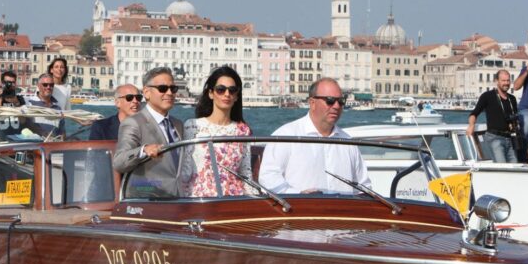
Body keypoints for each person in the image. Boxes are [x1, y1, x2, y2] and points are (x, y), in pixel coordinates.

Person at [259, 77, 370, 194]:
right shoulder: (285, 135)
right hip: (300, 210)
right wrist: (298, 195)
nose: (337, 106)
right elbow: (268, 178)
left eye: (341, 101)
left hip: (341, 211)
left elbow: (363, 186)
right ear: (312, 103)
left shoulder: (348, 142)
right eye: (330, 100)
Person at [180, 66, 254, 197]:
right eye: (221, 90)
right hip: (199, 199)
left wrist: (254, 201)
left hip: (234, 199)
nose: (227, 94)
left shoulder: (243, 130)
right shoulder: (192, 126)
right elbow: (185, 172)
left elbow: (245, 174)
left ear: (237, 96)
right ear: (210, 93)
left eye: (232, 90)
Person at [113, 67, 183, 196]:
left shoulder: (178, 124)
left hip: (179, 198)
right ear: (147, 92)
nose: (169, 93)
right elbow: (119, 161)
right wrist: (143, 151)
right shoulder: (133, 123)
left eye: (173, 89)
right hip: (148, 198)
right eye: (162, 88)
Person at [466, 70, 519, 163]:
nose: (506, 83)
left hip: (510, 138)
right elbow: (474, 113)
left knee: (515, 166)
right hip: (495, 138)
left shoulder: (512, 99)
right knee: (501, 166)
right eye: (503, 80)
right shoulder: (487, 96)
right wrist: (471, 125)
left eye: (508, 80)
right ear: (496, 81)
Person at [0, 70, 29, 141]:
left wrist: (16, 103)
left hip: (17, 141)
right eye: (8, 83)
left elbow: (23, 121)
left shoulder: (20, 99)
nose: (10, 85)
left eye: (13, 83)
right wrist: (0, 98)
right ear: (3, 83)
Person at [28, 73, 65, 139]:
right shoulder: (29, 104)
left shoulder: (58, 108)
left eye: (51, 85)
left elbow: (61, 131)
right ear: (38, 86)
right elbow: (27, 125)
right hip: (35, 146)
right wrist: (44, 134)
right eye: (45, 85)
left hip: (53, 146)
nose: (48, 87)